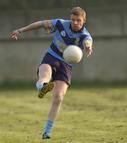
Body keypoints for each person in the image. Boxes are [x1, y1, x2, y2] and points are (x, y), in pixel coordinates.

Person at [10, 7, 93, 139]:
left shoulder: (85, 35)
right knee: (45, 75)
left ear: (84, 21)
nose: (75, 23)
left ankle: (47, 131)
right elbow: (40, 24)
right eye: (73, 20)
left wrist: (88, 46)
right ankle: (42, 87)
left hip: (66, 65)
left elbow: (88, 41)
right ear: (70, 19)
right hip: (52, 56)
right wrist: (20, 30)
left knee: (58, 97)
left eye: (78, 20)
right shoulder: (60, 23)